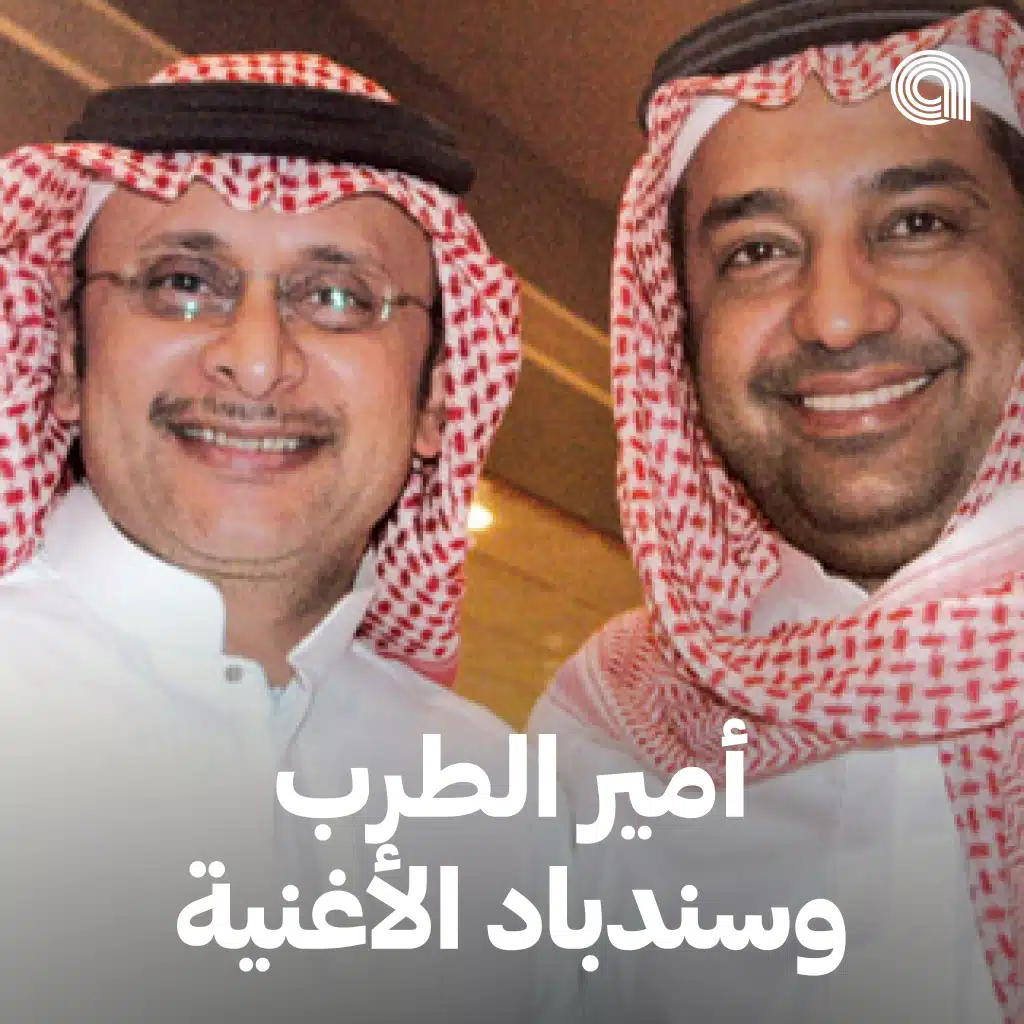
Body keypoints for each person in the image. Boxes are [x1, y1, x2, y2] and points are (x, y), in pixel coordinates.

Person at [0, 53, 572, 1024]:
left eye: (339, 297)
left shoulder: (500, 809)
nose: (257, 360)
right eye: (183, 282)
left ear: (438, 397)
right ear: (62, 361)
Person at [530, 1, 1024, 1021]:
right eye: (757, 251)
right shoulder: (603, 741)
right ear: (680, 331)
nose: (837, 316)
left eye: (919, 224)